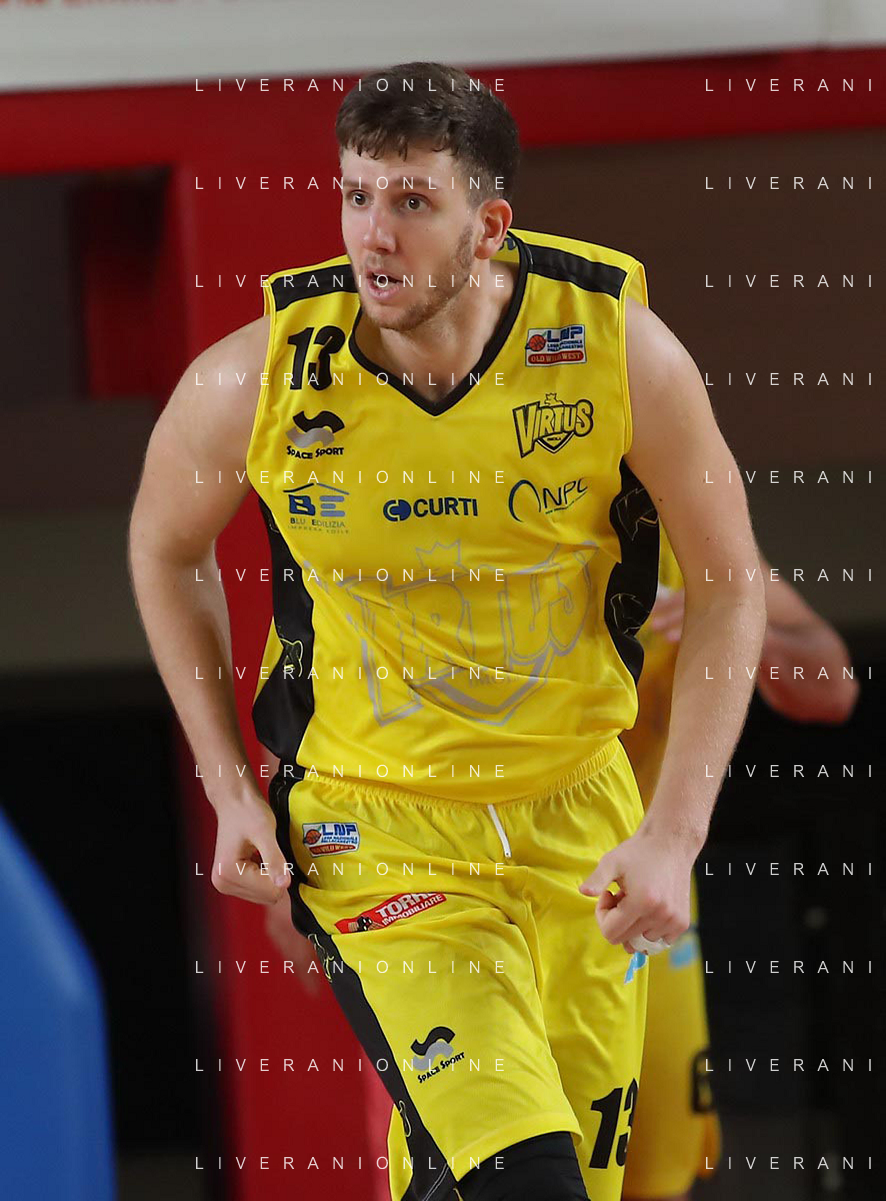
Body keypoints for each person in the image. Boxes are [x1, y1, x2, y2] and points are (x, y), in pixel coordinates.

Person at [128, 61, 767, 1201]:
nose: (373, 234)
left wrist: (675, 832)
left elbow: (728, 585)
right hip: (377, 828)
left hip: (579, 819)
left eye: (412, 201)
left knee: (541, 1177)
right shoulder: (256, 378)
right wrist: (229, 788)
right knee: (517, 1178)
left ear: (490, 226)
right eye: (355, 194)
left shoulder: (620, 350)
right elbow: (164, 549)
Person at [620, 529, 860, 1201]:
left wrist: (734, 622)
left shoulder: (674, 520)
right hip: (493, 882)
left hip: (641, 896)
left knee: (653, 1170)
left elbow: (833, 687)